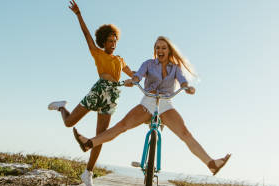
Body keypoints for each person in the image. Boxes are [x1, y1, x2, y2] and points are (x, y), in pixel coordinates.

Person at [73, 36, 231, 176]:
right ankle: (89, 143)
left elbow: (182, 80)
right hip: (148, 102)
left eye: (163, 47)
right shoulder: (148, 64)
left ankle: (212, 164)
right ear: (154, 50)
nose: (160, 50)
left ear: (169, 50)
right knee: (122, 125)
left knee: (185, 134)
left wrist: (187, 87)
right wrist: (133, 80)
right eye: (157, 48)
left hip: (165, 104)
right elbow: (138, 75)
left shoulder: (175, 68)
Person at [48, 0, 135, 186]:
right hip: (99, 91)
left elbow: (134, 75)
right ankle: (62, 106)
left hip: (113, 97)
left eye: (115, 41)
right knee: (69, 122)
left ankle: (88, 173)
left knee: (101, 136)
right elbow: (86, 34)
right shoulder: (97, 53)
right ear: (103, 41)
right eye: (109, 41)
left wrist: (136, 79)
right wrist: (79, 14)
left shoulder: (120, 60)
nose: (113, 44)